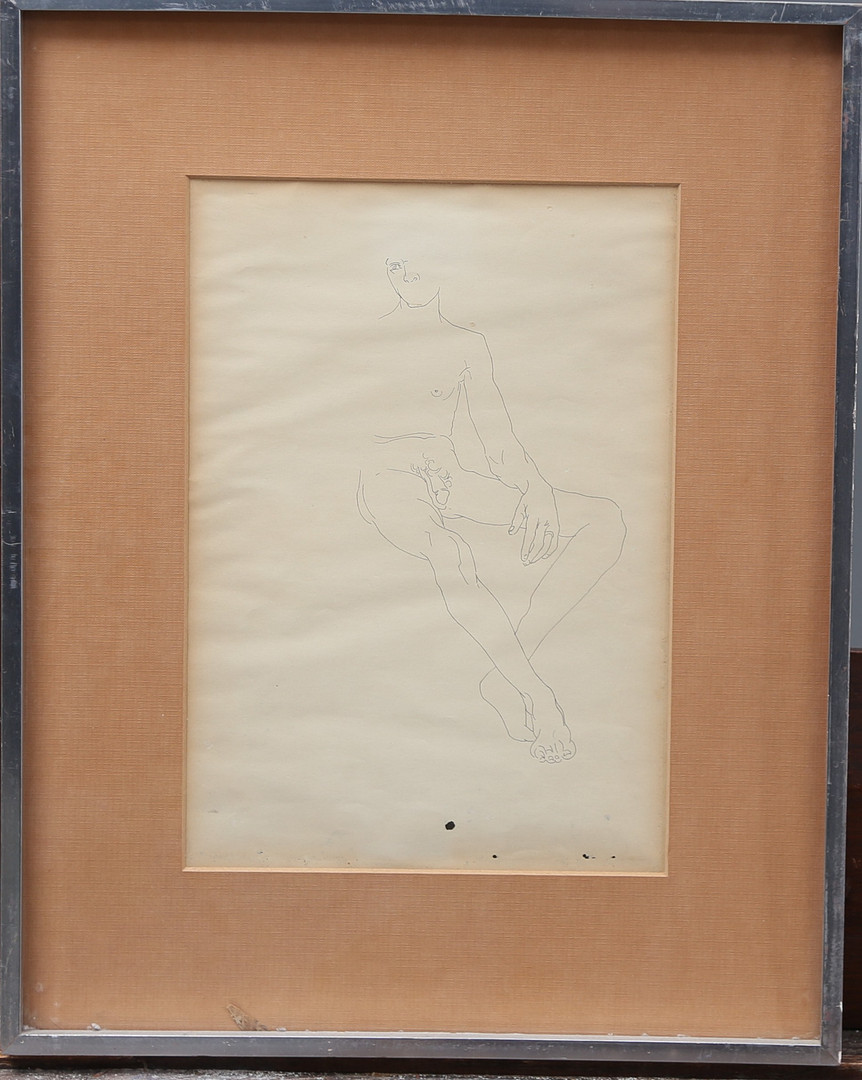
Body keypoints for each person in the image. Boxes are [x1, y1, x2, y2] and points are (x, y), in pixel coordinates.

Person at [357, 257, 625, 764]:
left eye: (420, 265)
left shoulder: (466, 344)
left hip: (450, 478)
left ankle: (504, 676)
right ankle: (536, 694)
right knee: (448, 549)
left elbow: (497, 439)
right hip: (388, 479)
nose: (408, 277)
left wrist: (537, 488)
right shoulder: (363, 337)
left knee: (603, 519)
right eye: (397, 266)